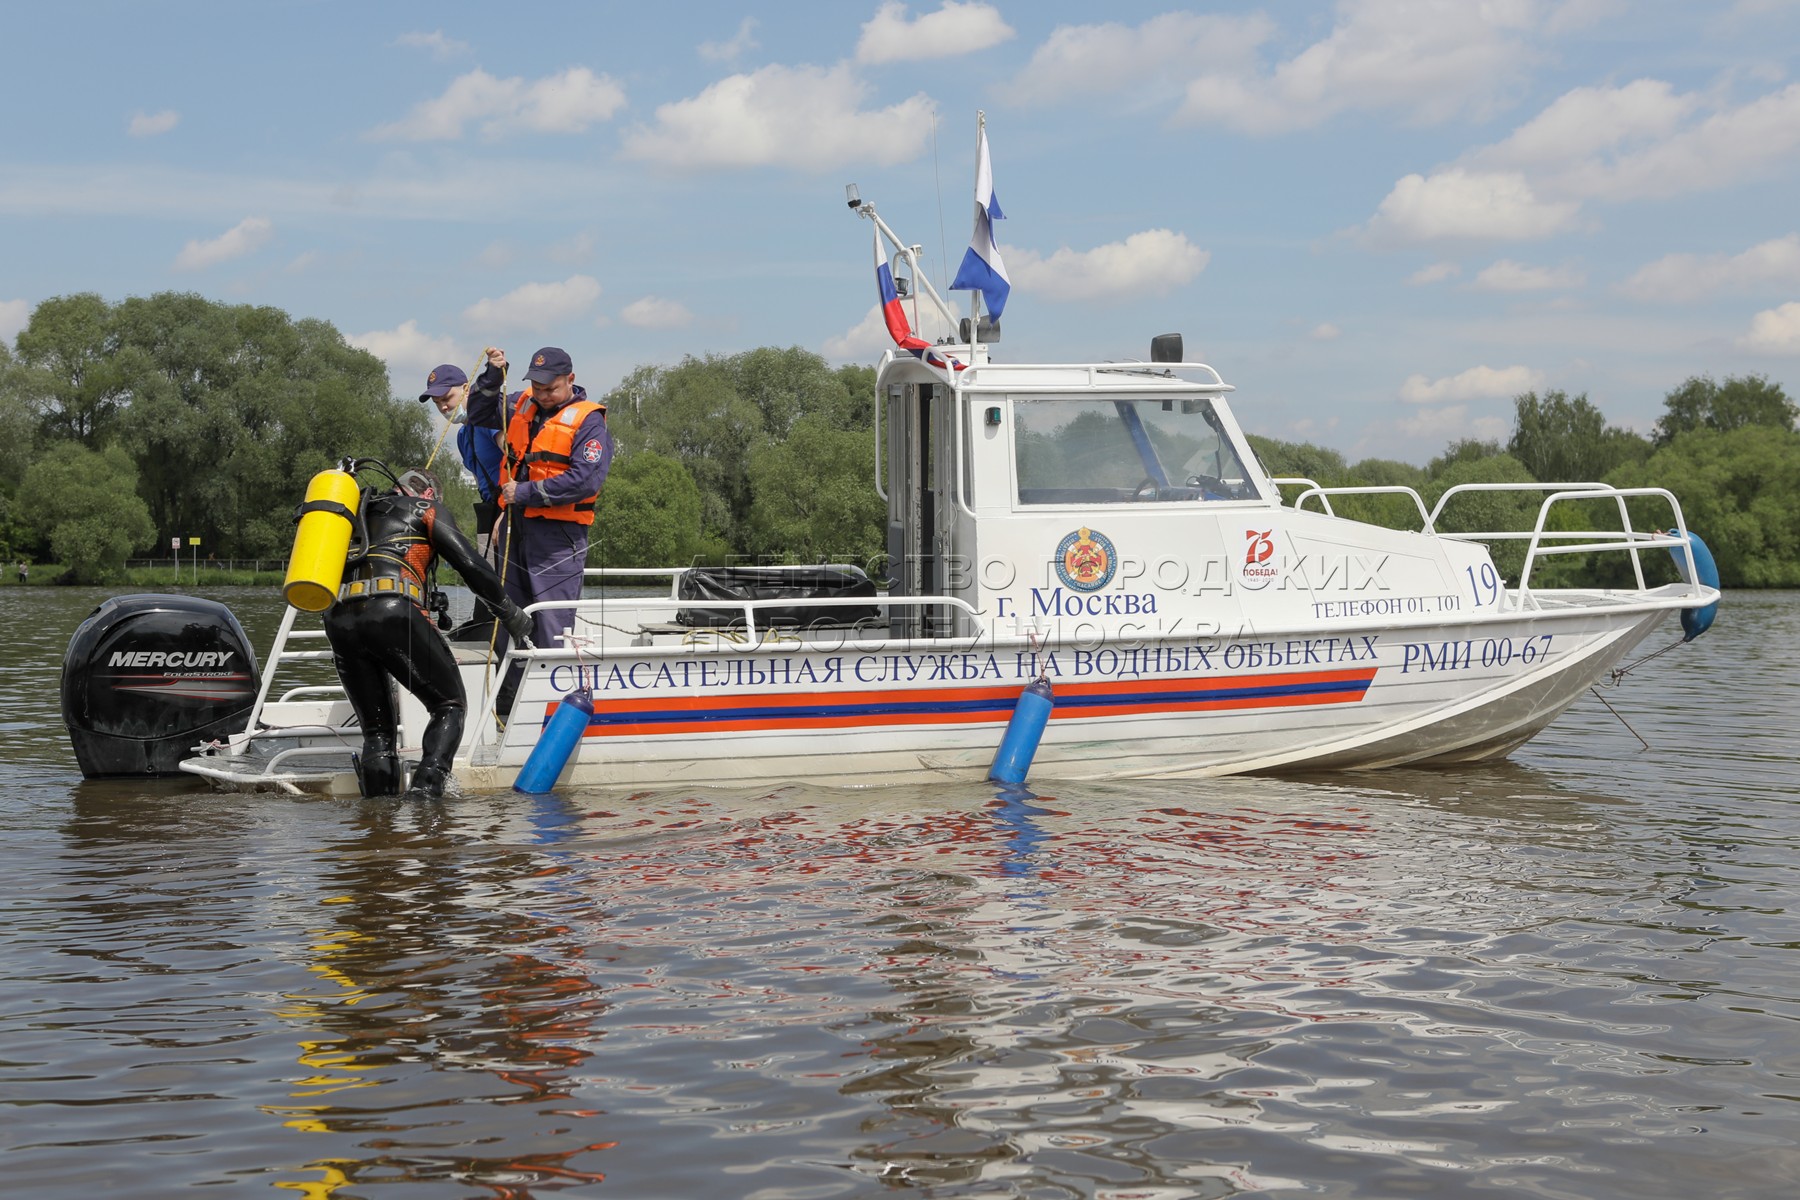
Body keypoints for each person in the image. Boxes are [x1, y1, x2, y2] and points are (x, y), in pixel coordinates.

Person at [322, 466, 534, 801]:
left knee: (377, 733)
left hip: (338, 618)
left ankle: (378, 816)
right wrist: (509, 612)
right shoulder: (426, 508)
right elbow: (470, 565)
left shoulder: (355, 514)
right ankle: (427, 798)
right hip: (392, 609)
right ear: (430, 493)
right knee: (450, 705)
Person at [467, 346, 613, 715]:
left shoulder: (589, 422)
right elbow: (478, 412)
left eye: (550, 388)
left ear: (570, 380)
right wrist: (493, 375)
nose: (543, 394)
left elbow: (585, 480)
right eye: (537, 386)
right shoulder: (521, 403)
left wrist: (525, 493)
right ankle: (508, 709)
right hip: (516, 528)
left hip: (558, 536)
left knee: (551, 623)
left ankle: (548, 710)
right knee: (509, 618)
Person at [419, 363, 505, 556]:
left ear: (466, 389)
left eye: (447, 398)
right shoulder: (463, 436)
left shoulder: (489, 421)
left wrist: (508, 512)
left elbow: (518, 461)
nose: (443, 407)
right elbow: (479, 480)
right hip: (488, 512)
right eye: (437, 403)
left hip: (511, 510)